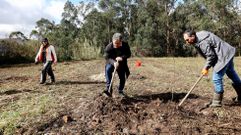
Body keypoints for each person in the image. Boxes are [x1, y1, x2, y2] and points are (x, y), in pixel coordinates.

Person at [183, 30, 241, 107]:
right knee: (231, 73)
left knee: (216, 77)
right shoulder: (200, 35)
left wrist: (206, 68)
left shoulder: (202, 42)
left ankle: (217, 102)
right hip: (228, 52)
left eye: (187, 40)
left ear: (193, 36)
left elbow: (211, 56)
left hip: (223, 55)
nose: (187, 42)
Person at [104, 33, 131, 97]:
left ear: (121, 41)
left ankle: (120, 91)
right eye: (115, 43)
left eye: (118, 43)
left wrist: (122, 57)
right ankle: (109, 89)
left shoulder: (125, 45)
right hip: (111, 62)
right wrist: (114, 62)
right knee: (108, 70)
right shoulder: (109, 47)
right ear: (112, 41)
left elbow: (129, 54)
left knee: (122, 77)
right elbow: (107, 57)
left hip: (122, 63)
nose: (116, 45)